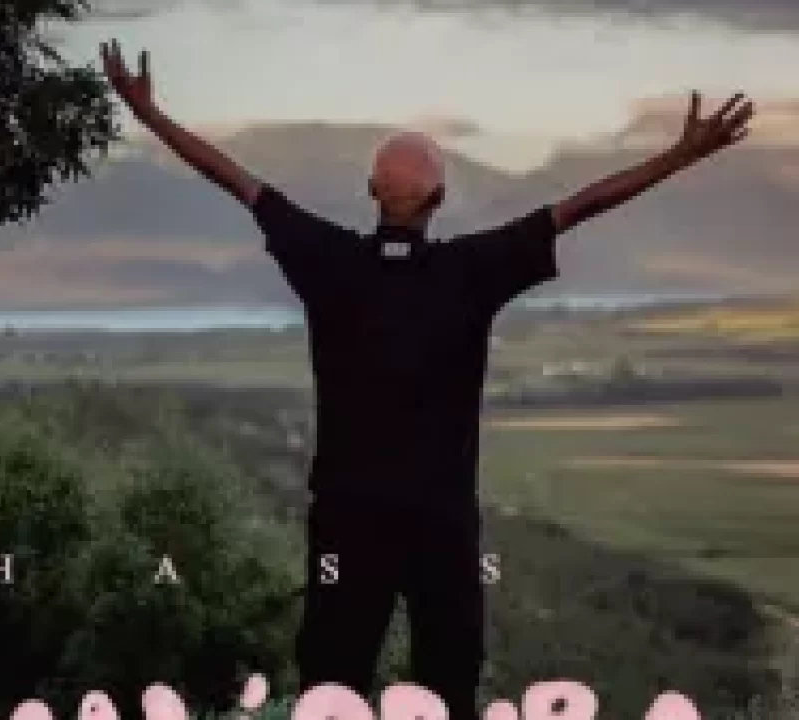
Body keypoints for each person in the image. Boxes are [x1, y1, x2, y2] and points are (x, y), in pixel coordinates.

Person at [99, 39, 754, 720]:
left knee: (329, 689)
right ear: (438, 199)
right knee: (448, 689)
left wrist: (148, 114)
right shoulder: (471, 272)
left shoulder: (327, 260)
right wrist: (679, 156)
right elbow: (580, 206)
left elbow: (236, 180)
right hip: (441, 528)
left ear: (371, 193)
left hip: (346, 523)